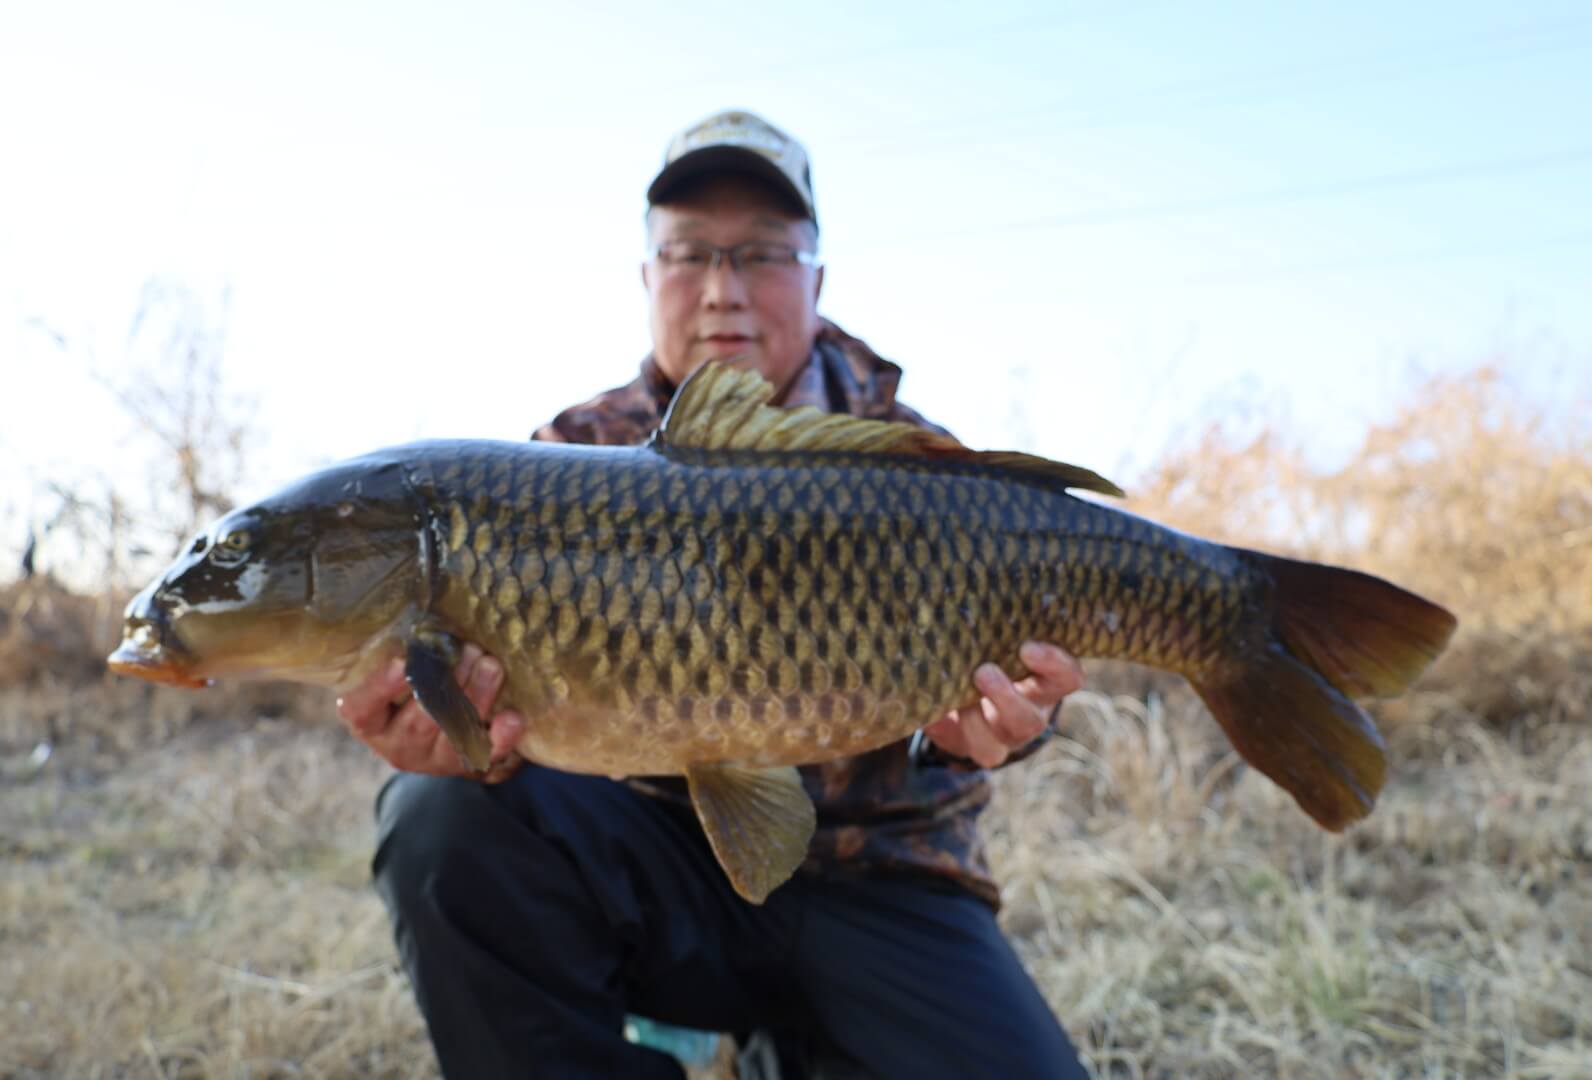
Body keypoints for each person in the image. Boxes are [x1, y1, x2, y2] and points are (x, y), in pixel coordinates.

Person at [338, 109, 1091, 1079]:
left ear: (818, 277)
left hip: (886, 883)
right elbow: (511, 743)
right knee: (439, 823)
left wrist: (1014, 722)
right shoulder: (569, 458)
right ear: (648, 278)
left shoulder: (921, 467)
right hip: (663, 877)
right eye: (689, 254)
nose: (723, 291)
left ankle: (801, 1045)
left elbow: (1019, 692)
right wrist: (459, 746)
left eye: (763, 255)